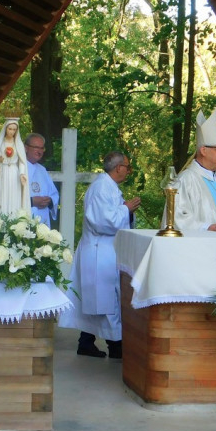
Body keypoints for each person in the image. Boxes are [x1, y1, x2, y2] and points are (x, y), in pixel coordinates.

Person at [61, 152, 140, 359]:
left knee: (100, 302)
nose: (129, 171)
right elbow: (102, 222)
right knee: (106, 302)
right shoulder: (102, 187)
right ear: (118, 167)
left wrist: (127, 212)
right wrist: (126, 209)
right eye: (127, 167)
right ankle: (115, 346)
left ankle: (87, 342)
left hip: (105, 250)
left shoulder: (109, 186)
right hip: (99, 249)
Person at [0, 118, 29, 219]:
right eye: (10, 129)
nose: (12, 132)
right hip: (3, 173)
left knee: (14, 197)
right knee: (3, 196)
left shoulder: (18, 144)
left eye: (14, 129)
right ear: (5, 129)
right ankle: (2, 219)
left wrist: (22, 173)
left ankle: (14, 220)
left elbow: (22, 161)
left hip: (14, 174)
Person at [24, 133, 59, 226]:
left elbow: (54, 194)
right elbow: (11, 197)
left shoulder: (42, 170)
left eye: (42, 148)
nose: (39, 151)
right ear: (26, 148)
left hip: (42, 222)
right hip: (22, 222)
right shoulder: (16, 168)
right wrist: (31, 202)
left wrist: (49, 201)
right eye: (36, 147)